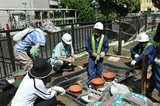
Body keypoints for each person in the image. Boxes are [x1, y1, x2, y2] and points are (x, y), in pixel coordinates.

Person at [147, 0, 160, 97]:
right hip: (157, 50)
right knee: (155, 71)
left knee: (159, 73)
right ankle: (150, 89)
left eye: (154, 2)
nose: (153, 5)